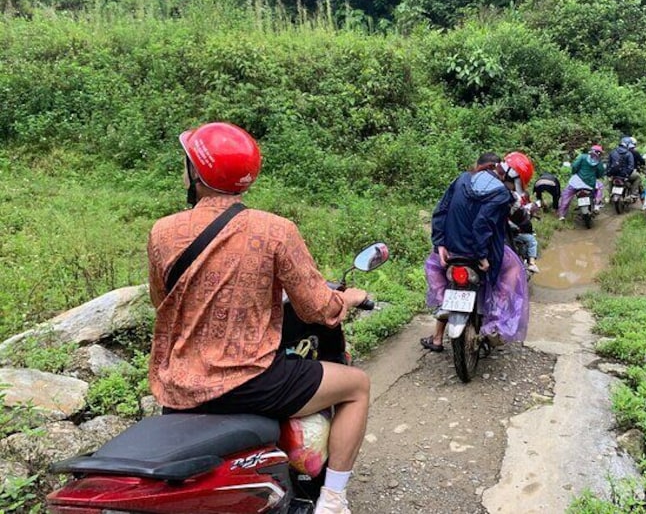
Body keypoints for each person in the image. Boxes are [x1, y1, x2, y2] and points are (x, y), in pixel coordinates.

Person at [147, 122, 369, 514]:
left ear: (197, 173)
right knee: (358, 386)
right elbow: (317, 308)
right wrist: (346, 300)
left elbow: (161, 300)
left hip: (180, 386)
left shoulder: (163, 232)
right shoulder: (276, 230)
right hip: (253, 382)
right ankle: (333, 499)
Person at [421, 151, 532, 352]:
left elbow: (440, 210)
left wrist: (439, 243)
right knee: (513, 270)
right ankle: (497, 322)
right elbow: (485, 224)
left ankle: (439, 319)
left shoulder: (461, 180)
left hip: (453, 250)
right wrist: (482, 255)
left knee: (437, 267)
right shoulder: (502, 194)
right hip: (483, 253)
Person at [557, 144, 606, 220]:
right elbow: (600, 174)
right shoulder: (599, 162)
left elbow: (574, 166)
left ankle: (561, 215)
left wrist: (574, 172)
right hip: (590, 184)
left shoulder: (583, 157)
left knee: (566, 195)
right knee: (599, 188)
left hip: (576, 182)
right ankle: (596, 205)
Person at [506, 181, 540, 274]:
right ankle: (532, 263)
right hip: (511, 235)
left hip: (504, 236)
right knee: (532, 240)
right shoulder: (517, 210)